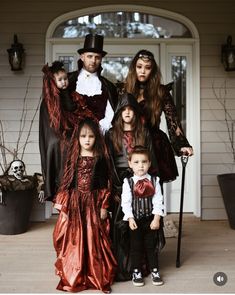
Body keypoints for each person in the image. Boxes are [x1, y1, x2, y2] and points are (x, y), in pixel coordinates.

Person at [53, 117, 117, 293]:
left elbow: (106, 184)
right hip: (75, 204)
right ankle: (77, 273)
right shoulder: (73, 157)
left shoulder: (100, 158)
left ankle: (95, 274)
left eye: (91, 136)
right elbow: (65, 183)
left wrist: (104, 205)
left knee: (93, 238)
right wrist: (63, 207)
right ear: (77, 138)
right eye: (83, 136)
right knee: (75, 240)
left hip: (93, 205)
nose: (87, 140)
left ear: (96, 137)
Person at [105, 92, 164, 281]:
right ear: (119, 112)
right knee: (123, 227)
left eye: (131, 108)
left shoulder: (143, 132)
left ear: (136, 112)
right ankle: (126, 267)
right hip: (119, 183)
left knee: (144, 226)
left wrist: (150, 184)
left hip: (142, 181)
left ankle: (146, 265)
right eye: (124, 109)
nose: (128, 112)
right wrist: (115, 187)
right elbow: (109, 163)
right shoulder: (111, 134)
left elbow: (152, 160)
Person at [123, 49, 193, 185]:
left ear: (152, 70)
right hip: (128, 143)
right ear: (134, 68)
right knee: (128, 191)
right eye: (139, 67)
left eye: (147, 68)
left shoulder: (161, 92)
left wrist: (182, 144)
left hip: (154, 145)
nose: (142, 71)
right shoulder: (124, 90)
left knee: (154, 191)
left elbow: (172, 120)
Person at [121, 145, 165, 287]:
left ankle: (155, 270)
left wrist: (156, 218)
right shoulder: (128, 182)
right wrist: (130, 218)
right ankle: (136, 271)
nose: (141, 166)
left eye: (144, 162)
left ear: (149, 163)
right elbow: (126, 202)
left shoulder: (154, 181)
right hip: (135, 220)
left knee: (151, 246)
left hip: (150, 220)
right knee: (135, 247)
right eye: (136, 162)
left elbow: (158, 201)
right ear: (130, 164)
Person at [39, 61, 75, 201]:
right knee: (61, 169)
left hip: (70, 137)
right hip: (57, 138)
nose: (64, 82)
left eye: (65, 79)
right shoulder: (49, 101)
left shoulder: (69, 96)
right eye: (60, 80)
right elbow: (49, 125)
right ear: (53, 82)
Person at [67, 33, 118, 132]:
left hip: (100, 138)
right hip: (71, 136)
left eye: (97, 57)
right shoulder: (69, 81)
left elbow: (111, 116)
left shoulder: (108, 86)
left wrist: (96, 131)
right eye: (90, 56)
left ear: (101, 59)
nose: (93, 61)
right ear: (82, 57)